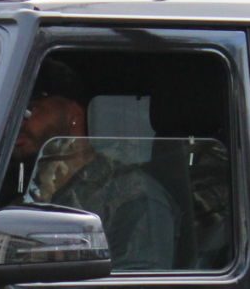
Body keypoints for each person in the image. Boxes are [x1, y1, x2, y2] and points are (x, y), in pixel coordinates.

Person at [13, 63, 178, 269]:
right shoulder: (23, 200)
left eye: (31, 109)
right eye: (13, 113)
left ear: (74, 115)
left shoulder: (130, 194)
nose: (18, 123)